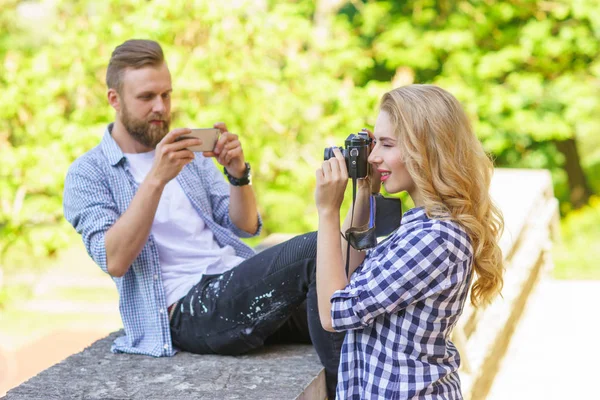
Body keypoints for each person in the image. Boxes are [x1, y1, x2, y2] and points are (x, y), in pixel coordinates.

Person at [63, 39, 343, 398]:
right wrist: (156, 178)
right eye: (146, 97)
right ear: (114, 100)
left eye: (166, 95)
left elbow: (243, 227)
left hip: (232, 283)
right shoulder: (88, 174)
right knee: (317, 247)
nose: (160, 108)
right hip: (187, 310)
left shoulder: (190, 154)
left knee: (348, 291)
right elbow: (114, 259)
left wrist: (237, 174)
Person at [314, 84, 504, 399]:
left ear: (427, 150)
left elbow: (333, 313)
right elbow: (349, 277)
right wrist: (365, 192)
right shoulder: (421, 228)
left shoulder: (435, 239)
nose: (374, 157)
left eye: (387, 145)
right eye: (374, 144)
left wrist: (327, 212)